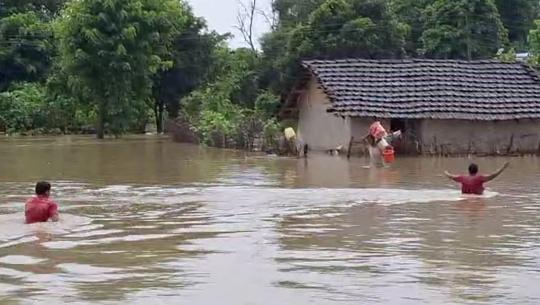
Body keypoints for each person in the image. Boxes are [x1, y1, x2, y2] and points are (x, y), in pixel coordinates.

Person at [444, 162, 509, 195]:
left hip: (465, 196)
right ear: (477, 170)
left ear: (468, 170)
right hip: (477, 197)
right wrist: (503, 168)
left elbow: (451, 176)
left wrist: (446, 172)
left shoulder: (462, 178)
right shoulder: (480, 178)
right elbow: (493, 176)